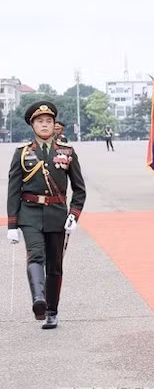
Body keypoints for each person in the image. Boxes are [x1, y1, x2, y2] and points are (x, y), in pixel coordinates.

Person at [7, 101, 86, 329]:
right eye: (40, 121)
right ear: (32, 126)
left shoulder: (67, 153)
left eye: (48, 121)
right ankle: (38, 300)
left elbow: (79, 188)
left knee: (54, 265)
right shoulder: (21, 154)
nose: (44, 125)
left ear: (54, 125)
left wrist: (74, 214)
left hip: (57, 214)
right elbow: (13, 190)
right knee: (35, 255)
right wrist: (12, 224)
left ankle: (52, 311)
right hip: (29, 214)